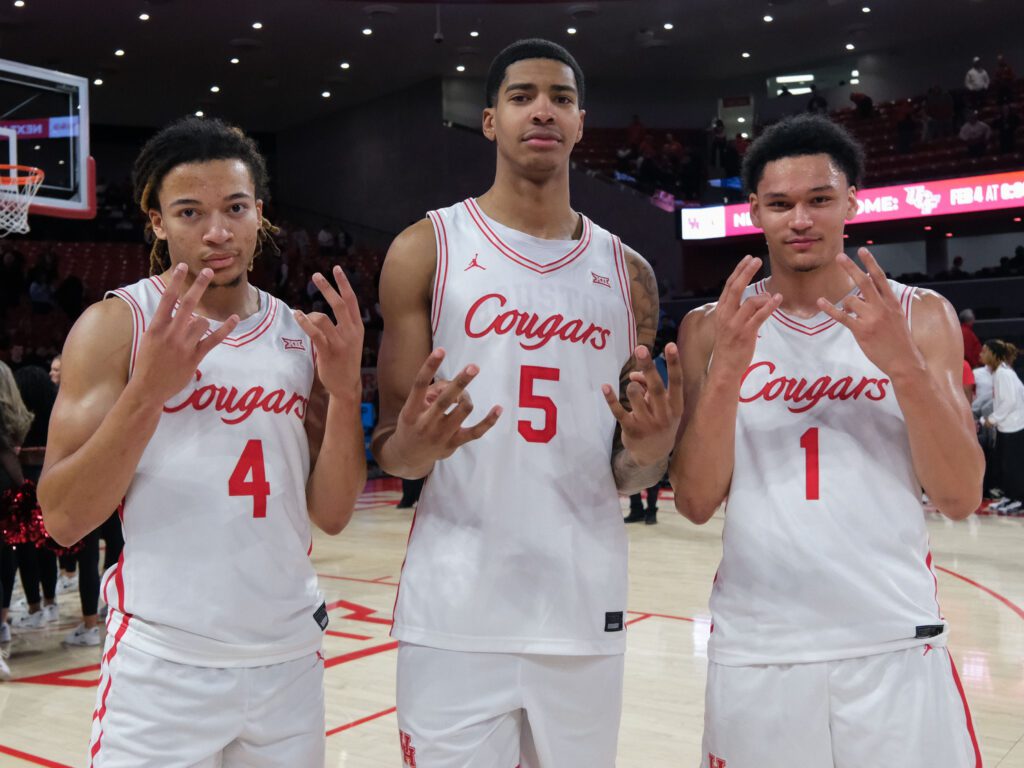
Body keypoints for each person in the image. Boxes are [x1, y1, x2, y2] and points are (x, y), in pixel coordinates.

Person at [372, 39, 682, 767]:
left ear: (580, 124)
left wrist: (651, 453)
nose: (542, 109)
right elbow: (389, 441)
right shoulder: (427, 248)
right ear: (488, 120)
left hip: (581, 604)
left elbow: (626, 470)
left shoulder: (627, 274)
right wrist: (415, 449)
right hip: (454, 608)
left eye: (561, 98)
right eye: (521, 96)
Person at [37, 116, 367, 766]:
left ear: (259, 215)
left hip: (288, 662)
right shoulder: (115, 326)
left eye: (235, 208)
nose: (217, 232)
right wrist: (147, 391)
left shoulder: (299, 335)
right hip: (164, 667)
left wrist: (348, 391)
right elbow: (66, 517)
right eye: (190, 212)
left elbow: (330, 514)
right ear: (156, 220)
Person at [670, 114, 984, 768]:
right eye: (781, 204)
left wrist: (902, 365)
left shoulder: (919, 315)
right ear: (754, 209)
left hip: (894, 637)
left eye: (819, 199)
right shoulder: (712, 327)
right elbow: (697, 500)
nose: (801, 219)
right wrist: (727, 367)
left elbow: (959, 496)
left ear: (852, 201)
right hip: (759, 643)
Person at [0, 360, 33, 681]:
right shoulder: (18, 413)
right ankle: (4, 623)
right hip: (9, 490)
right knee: (7, 555)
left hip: (9, 484)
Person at [979, 340, 1024, 509]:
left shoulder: (1003, 374)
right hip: (1008, 426)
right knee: (1006, 464)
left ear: (993, 353)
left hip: (1014, 426)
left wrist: (992, 419)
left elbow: (1009, 401)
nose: (980, 355)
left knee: (1014, 465)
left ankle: (1019, 499)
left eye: (984, 351)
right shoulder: (1001, 372)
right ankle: (1010, 496)